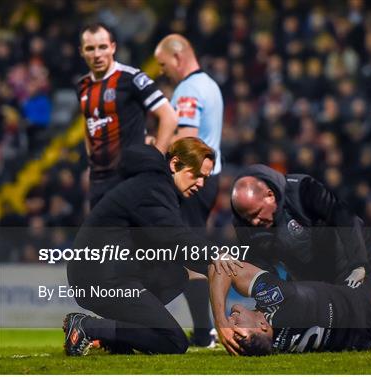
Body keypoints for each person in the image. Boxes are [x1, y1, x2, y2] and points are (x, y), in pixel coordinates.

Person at [63, 137, 241, 356]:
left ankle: (115, 335)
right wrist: (218, 255)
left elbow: (173, 246)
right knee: (174, 342)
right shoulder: (154, 187)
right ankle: (88, 327)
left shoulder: (154, 184)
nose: (201, 184)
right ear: (175, 164)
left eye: (205, 178)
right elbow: (174, 237)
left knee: (178, 276)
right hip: (103, 277)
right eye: (196, 175)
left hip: (105, 273)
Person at [154, 33, 224, 346]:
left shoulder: (188, 90)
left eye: (163, 63)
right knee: (189, 252)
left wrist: (154, 150)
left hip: (193, 180)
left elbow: (188, 142)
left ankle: (203, 331)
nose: (161, 70)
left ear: (178, 57)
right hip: (208, 179)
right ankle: (204, 329)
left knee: (188, 255)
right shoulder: (209, 85)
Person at [208, 258, 371, 356]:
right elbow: (222, 266)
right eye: (237, 329)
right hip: (358, 305)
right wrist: (220, 320)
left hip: (357, 337)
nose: (231, 321)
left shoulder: (274, 346)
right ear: (263, 325)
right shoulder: (278, 300)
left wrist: (221, 322)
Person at [78, 22, 177, 209]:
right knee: (103, 238)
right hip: (99, 183)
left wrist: (153, 161)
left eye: (103, 47)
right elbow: (89, 123)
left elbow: (169, 116)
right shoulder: (82, 86)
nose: (97, 54)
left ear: (113, 47)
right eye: (90, 48)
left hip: (129, 179)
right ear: (82, 52)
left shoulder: (131, 78)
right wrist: (92, 163)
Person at [230, 164, 368, 286]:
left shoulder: (302, 189)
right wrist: (274, 289)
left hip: (341, 269)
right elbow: (257, 260)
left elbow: (344, 218)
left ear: (270, 196)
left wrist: (358, 265)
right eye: (248, 218)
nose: (254, 221)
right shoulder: (243, 224)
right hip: (301, 280)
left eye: (256, 213)